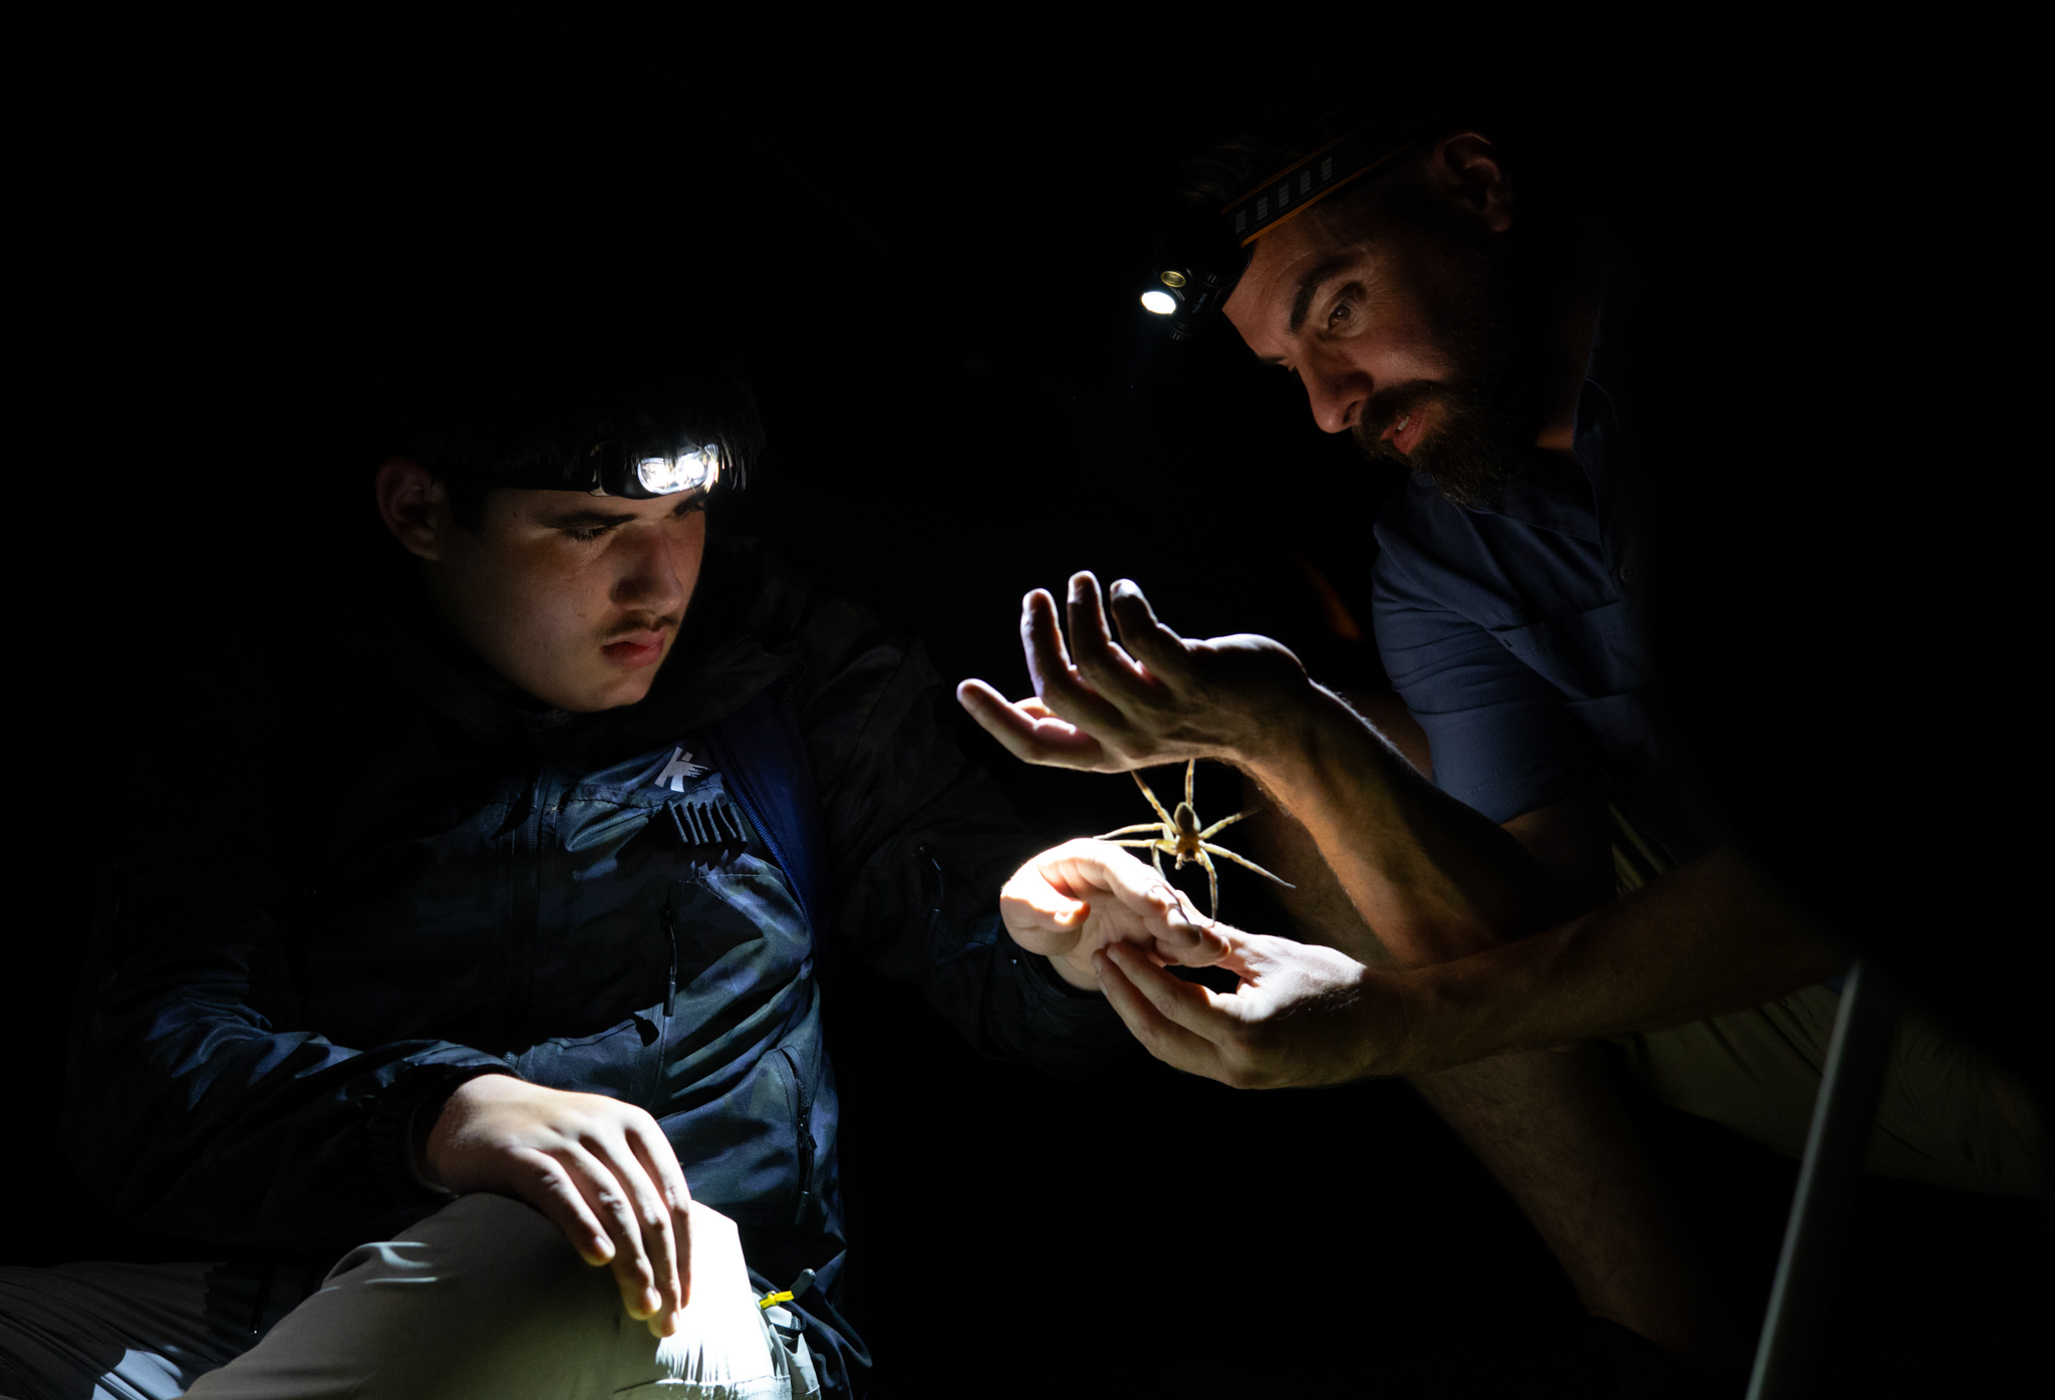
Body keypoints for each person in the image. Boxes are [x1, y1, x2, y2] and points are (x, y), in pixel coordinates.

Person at [958, 117, 2046, 1392]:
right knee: (1299, 778)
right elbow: (1524, 927)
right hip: (1851, 1023)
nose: (1329, 404)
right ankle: (1666, 1345)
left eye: (1340, 307)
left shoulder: (1763, 357)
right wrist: (1281, 727)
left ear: (1475, 187)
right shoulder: (1444, 556)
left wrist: (1382, 1025)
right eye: (1288, 368)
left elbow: (1875, 839)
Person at [0, 345, 1205, 1400]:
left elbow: (983, 929)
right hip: (330, 1293)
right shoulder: (281, 702)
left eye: (682, 514)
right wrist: (434, 1113)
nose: (656, 581)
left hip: (700, 1318)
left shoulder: (792, 679)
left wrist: (1061, 940)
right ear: (420, 509)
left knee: (545, 1260)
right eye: (586, 529)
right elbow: (149, 1083)